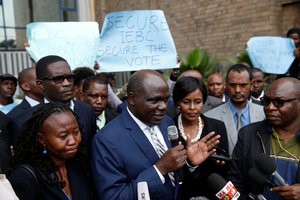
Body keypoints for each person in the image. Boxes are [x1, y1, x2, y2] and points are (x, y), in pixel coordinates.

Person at [91, 70, 220, 200]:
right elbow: (114, 196)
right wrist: (159, 170)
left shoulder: (167, 122)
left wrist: (190, 165)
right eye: (154, 101)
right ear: (132, 99)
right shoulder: (106, 140)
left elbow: (177, 181)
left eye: (165, 99)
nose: (163, 106)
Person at [228, 77, 300, 199]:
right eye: (266, 101)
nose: (270, 107)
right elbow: (236, 181)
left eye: (279, 102)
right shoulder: (248, 135)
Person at [8, 102, 94, 199]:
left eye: (76, 132)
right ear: (42, 139)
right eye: (63, 136)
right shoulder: (25, 177)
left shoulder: (78, 164)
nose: (73, 141)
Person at [8, 55, 96, 146]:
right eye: (58, 79)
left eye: (70, 77)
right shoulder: (23, 121)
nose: (67, 83)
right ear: (41, 84)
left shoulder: (87, 110)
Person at [173, 76, 229, 200]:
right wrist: (190, 165)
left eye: (197, 102)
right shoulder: (170, 128)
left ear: (203, 101)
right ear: (177, 102)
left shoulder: (217, 127)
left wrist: (220, 164)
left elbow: (225, 171)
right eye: (186, 102)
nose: (192, 107)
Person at [205, 64, 265, 154]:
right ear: (226, 85)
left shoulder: (264, 114)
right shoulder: (210, 117)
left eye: (243, 85)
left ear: (251, 85)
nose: (237, 90)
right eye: (233, 85)